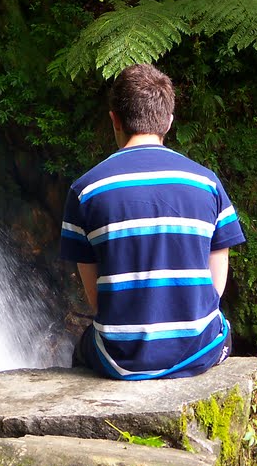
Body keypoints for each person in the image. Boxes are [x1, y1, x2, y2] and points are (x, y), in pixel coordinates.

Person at [60, 63, 246, 380]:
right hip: (199, 350)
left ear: (114, 120)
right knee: (220, 327)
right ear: (169, 122)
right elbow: (217, 279)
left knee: (82, 349)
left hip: (120, 359)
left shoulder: (85, 190)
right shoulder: (207, 183)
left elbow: (96, 299)